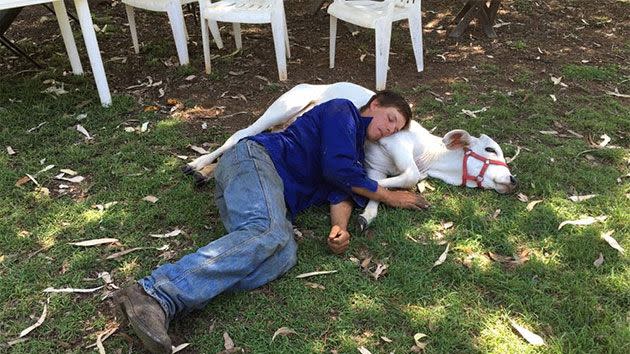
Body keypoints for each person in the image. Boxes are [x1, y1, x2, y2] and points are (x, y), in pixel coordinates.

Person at [115, 91, 429, 353]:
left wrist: (341, 229)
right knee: (268, 231)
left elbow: (341, 192)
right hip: (255, 160)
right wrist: (390, 196)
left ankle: (171, 302)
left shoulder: (354, 157)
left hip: (266, 195)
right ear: (373, 105)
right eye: (390, 119)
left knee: (283, 255)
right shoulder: (342, 110)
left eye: (395, 129)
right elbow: (338, 170)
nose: (389, 129)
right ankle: (155, 293)